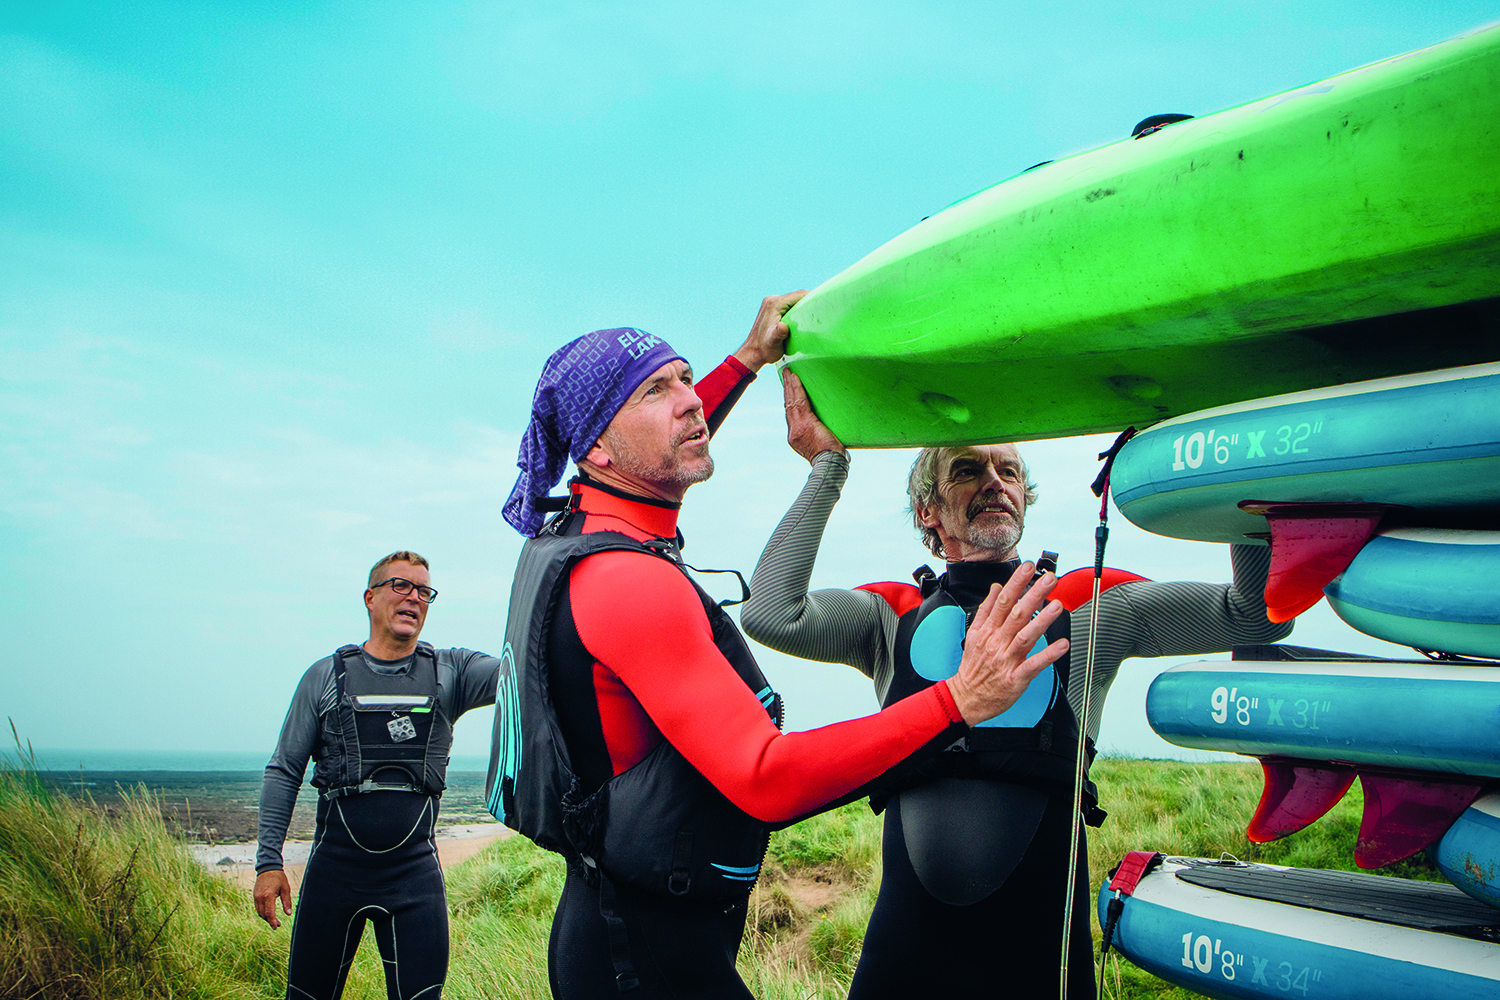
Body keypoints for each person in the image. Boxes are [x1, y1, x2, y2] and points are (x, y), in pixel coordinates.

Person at [487, 293, 1070, 999]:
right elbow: (765, 779)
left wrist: (749, 359)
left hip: (620, 925)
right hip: (644, 957)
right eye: (656, 389)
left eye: (686, 379)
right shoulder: (629, 583)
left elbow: (654, 439)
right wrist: (958, 700)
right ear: (598, 446)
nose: (690, 403)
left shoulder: (579, 530)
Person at [740, 372, 1294, 999]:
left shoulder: (1089, 607)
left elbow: (1258, 614)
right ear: (929, 510)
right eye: (967, 470)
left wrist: (1238, 474)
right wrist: (827, 469)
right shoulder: (888, 619)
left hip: (1038, 958)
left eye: (1008, 471)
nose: (994, 484)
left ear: (1026, 499)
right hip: (908, 953)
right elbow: (767, 614)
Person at [254, 551, 501, 1000]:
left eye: (424, 591)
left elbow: (518, 671)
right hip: (334, 873)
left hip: (414, 879)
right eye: (401, 586)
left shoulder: (451, 673)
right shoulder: (326, 676)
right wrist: (269, 862)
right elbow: (284, 769)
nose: (414, 598)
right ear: (370, 598)